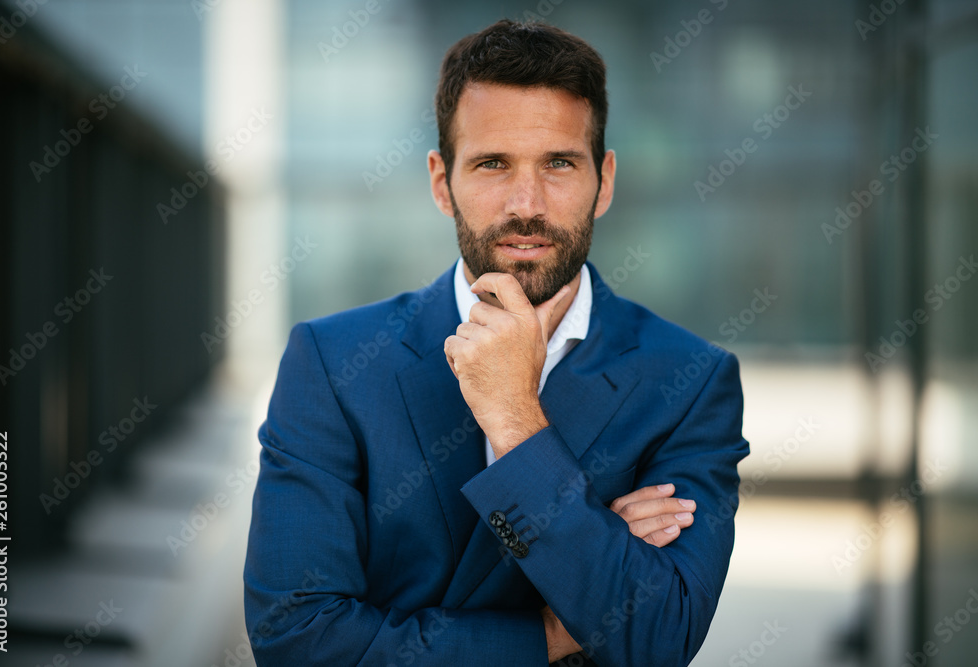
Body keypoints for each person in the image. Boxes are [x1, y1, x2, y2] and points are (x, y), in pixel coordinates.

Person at [244, 19, 748, 666]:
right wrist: (555, 630)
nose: (526, 203)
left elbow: (658, 636)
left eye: (559, 163)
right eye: (492, 164)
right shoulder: (332, 364)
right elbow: (296, 640)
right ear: (440, 181)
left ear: (606, 180)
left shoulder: (690, 381)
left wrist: (516, 421)